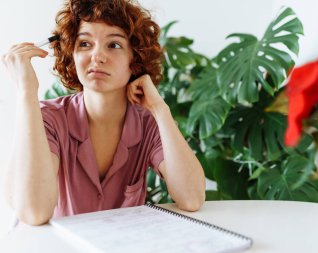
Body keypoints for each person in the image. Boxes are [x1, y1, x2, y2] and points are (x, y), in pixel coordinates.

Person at [1, 0, 205, 226]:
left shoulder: (148, 124)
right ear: (72, 54)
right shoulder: (50, 118)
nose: (97, 56)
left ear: (134, 59)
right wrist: (27, 91)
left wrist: (160, 109)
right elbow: (34, 212)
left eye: (114, 45)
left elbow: (192, 198)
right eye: (85, 43)